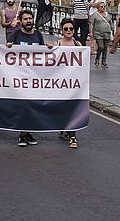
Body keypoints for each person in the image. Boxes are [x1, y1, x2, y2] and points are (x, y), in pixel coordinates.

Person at [7, 9, 45, 147]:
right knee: (23, 106)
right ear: (21, 21)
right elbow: (6, 53)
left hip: (34, 77)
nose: (28, 21)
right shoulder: (15, 35)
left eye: (30, 18)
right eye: (25, 19)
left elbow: (43, 54)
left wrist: (51, 49)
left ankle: (28, 132)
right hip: (19, 77)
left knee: (31, 106)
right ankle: (22, 134)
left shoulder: (38, 35)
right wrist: (8, 47)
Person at [49, 18, 82, 148]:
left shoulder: (78, 45)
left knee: (71, 108)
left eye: (71, 29)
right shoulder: (57, 44)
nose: (69, 31)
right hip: (60, 82)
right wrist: (49, 49)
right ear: (62, 30)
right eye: (66, 29)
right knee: (62, 108)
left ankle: (73, 137)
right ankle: (64, 130)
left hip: (73, 83)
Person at [90, 1, 114, 68]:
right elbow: (91, 24)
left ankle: (103, 62)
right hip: (98, 33)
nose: (103, 8)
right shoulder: (95, 14)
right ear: (98, 7)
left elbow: (110, 23)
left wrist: (113, 30)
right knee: (101, 47)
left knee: (105, 48)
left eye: (104, 6)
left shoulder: (107, 14)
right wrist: (91, 32)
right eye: (101, 6)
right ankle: (97, 58)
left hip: (107, 33)